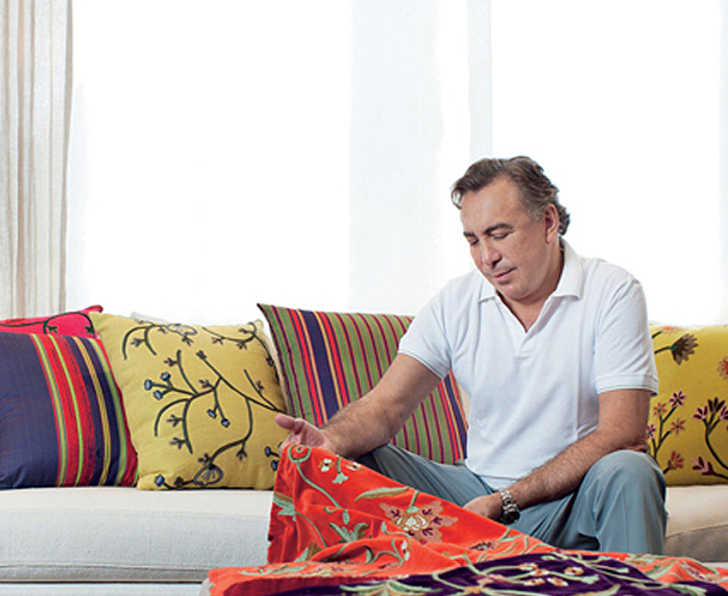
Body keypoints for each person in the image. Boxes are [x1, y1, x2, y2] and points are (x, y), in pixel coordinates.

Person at [277, 156, 666, 554]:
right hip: (473, 493)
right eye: (473, 241)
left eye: (499, 234)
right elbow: (386, 406)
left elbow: (623, 433)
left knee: (630, 469)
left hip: (570, 500)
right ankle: (360, 589)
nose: (486, 257)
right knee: (352, 458)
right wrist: (330, 440)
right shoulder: (456, 301)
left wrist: (507, 501)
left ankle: (636, 593)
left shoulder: (612, 291)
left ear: (549, 222)